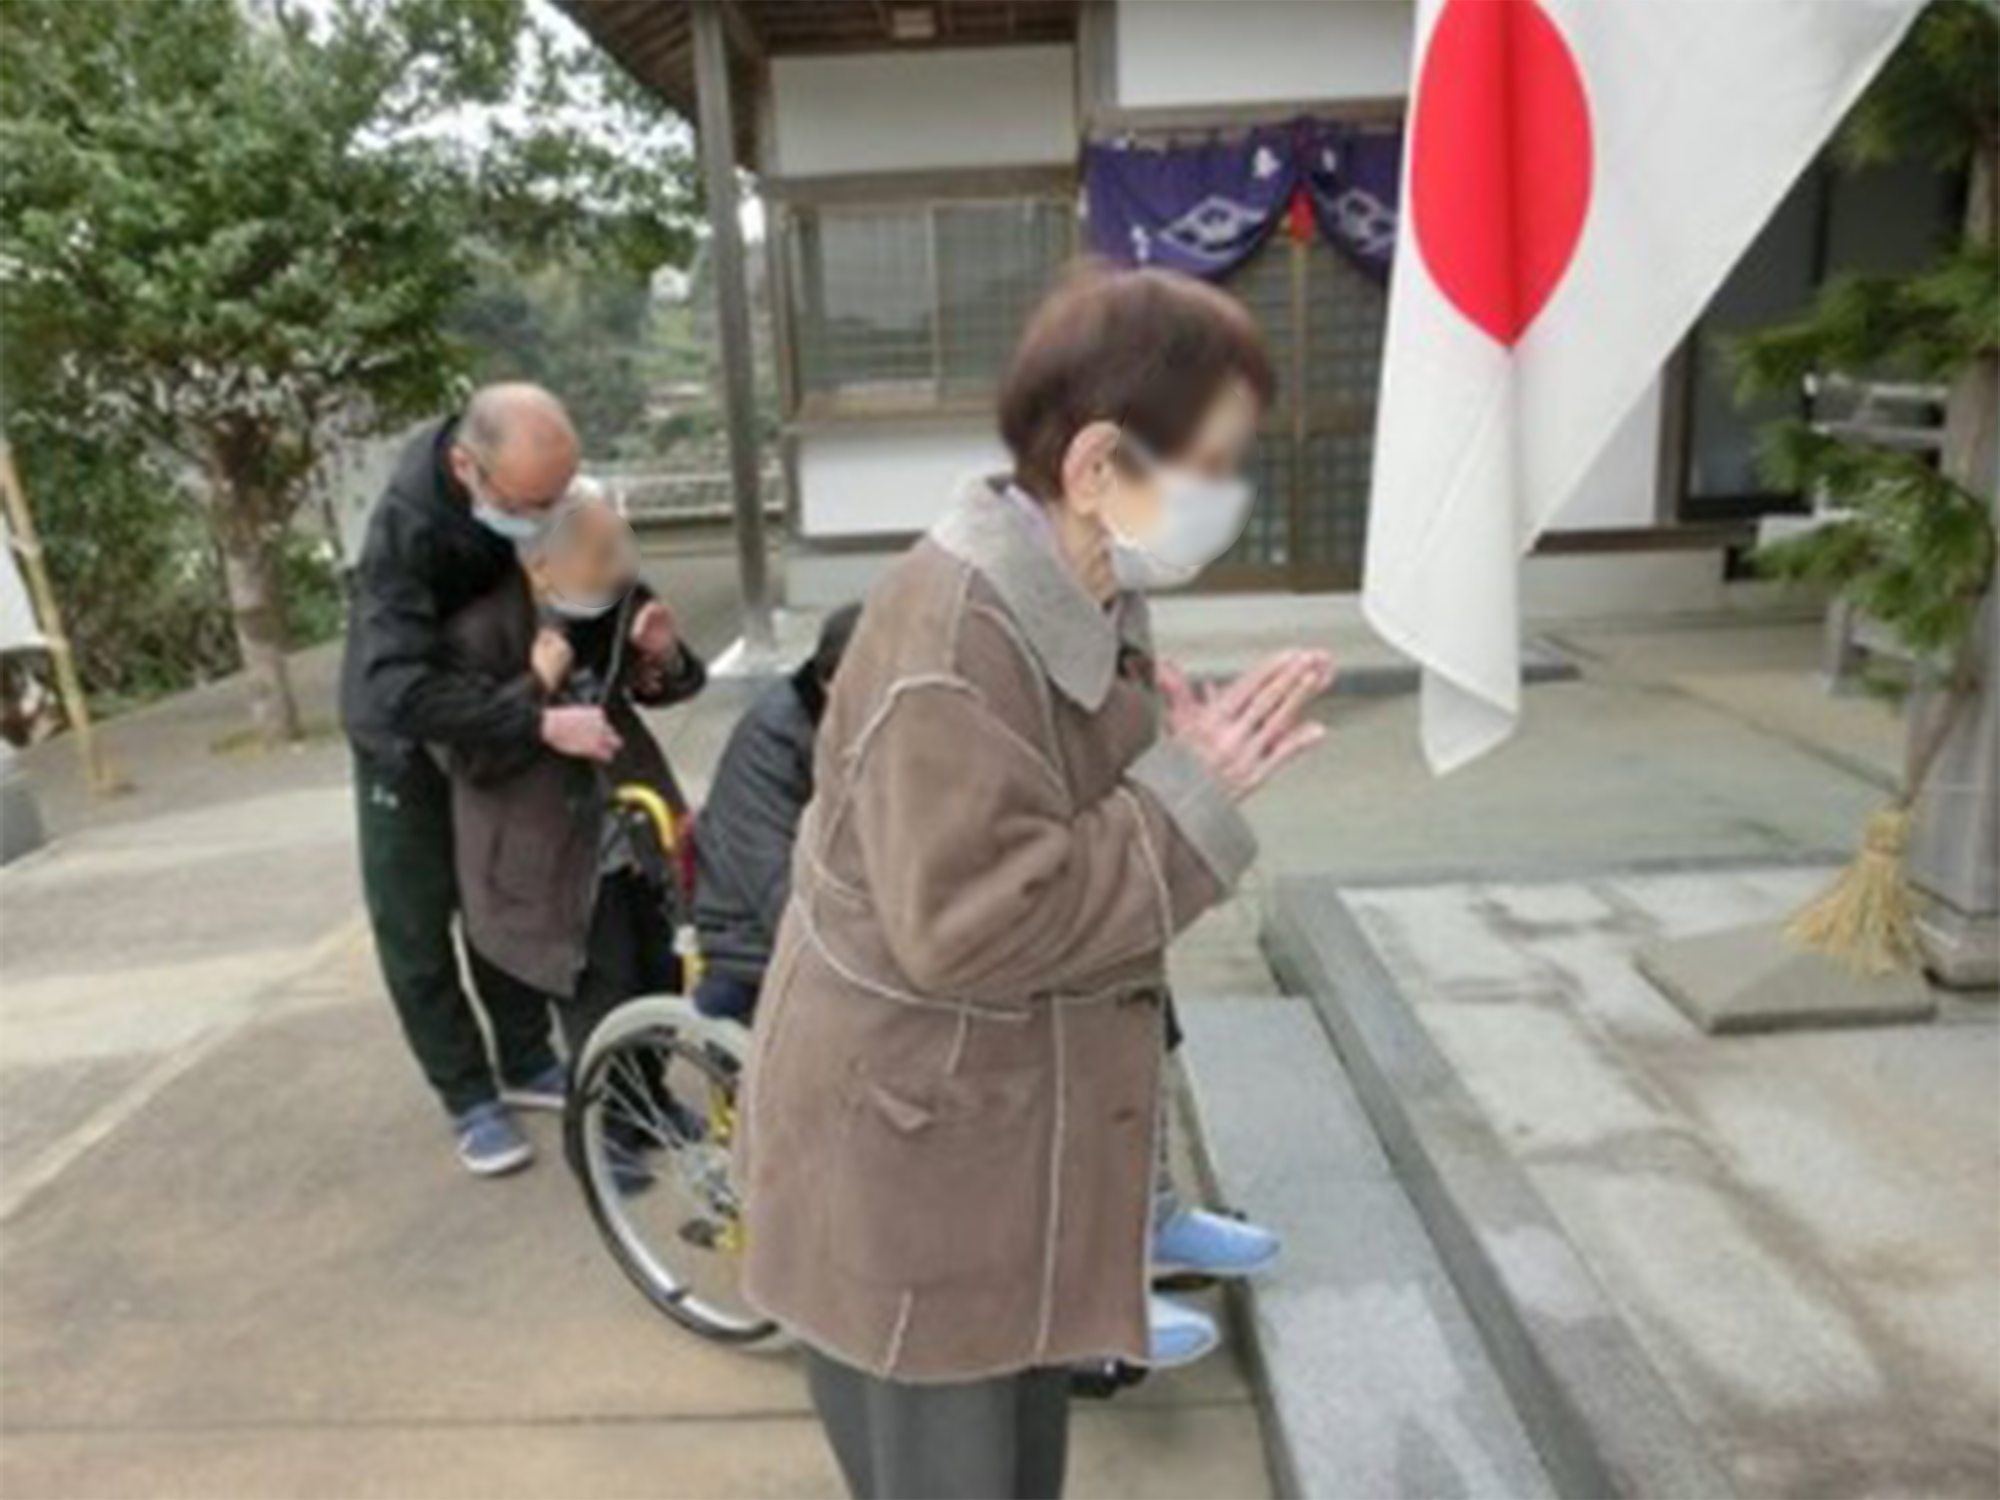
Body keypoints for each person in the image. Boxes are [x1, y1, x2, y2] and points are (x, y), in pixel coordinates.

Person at [736, 264, 1335, 1500]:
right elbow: (972, 921)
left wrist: (1159, 755)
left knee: (1015, 1463)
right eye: (1213, 465)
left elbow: (1043, 800)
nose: (1229, 495)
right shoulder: (952, 636)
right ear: (1097, 463)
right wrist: (1193, 796)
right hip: (912, 1158)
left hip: (979, 1136)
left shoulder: (1076, 580)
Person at [341, 384, 659, 1177]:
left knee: (501, 890)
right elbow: (396, 686)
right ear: (466, 467)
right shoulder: (408, 529)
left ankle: (524, 1056)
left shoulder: (527, 483)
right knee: (416, 920)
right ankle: (466, 1092)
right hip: (408, 739)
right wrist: (537, 719)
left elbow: (601, 580)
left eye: (558, 494)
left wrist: (649, 642)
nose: (545, 513)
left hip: (504, 699)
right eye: (531, 502)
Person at [441, 496, 705, 1063]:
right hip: (557, 854)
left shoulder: (610, 598)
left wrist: (665, 653)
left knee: (663, 973)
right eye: (604, 552)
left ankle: (648, 1110)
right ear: (540, 567)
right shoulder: (475, 628)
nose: (623, 566)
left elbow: (667, 686)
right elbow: (468, 759)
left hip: (636, 824)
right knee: (603, 1000)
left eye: (624, 546)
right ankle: (604, 1135)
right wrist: (537, 685)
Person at [691, 603, 862, 1025]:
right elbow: (771, 881)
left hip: (846, 910)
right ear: (830, 681)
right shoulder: (773, 736)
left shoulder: (876, 724)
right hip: (752, 933)